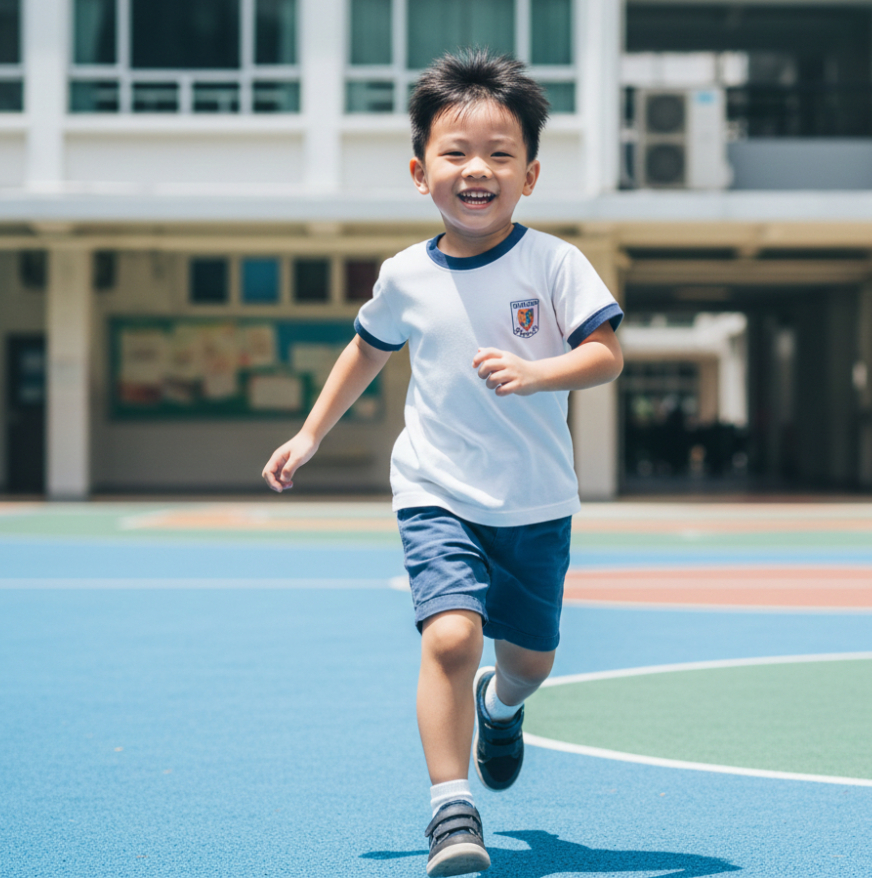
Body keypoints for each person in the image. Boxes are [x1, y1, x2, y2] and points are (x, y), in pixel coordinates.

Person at [262, 50, 623, 877]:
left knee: (527, 662)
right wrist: (310, 434)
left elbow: (605, 357)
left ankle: (502, 710)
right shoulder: (404, 275)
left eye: (501, 154)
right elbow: (365, 352)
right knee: (452, 636)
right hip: (436, 490)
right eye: (457, 153)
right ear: (421, 171)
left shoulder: (555, 263)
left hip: (535, 503)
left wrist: (539, 371)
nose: (477, 170)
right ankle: (451, 812)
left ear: (529, 175)